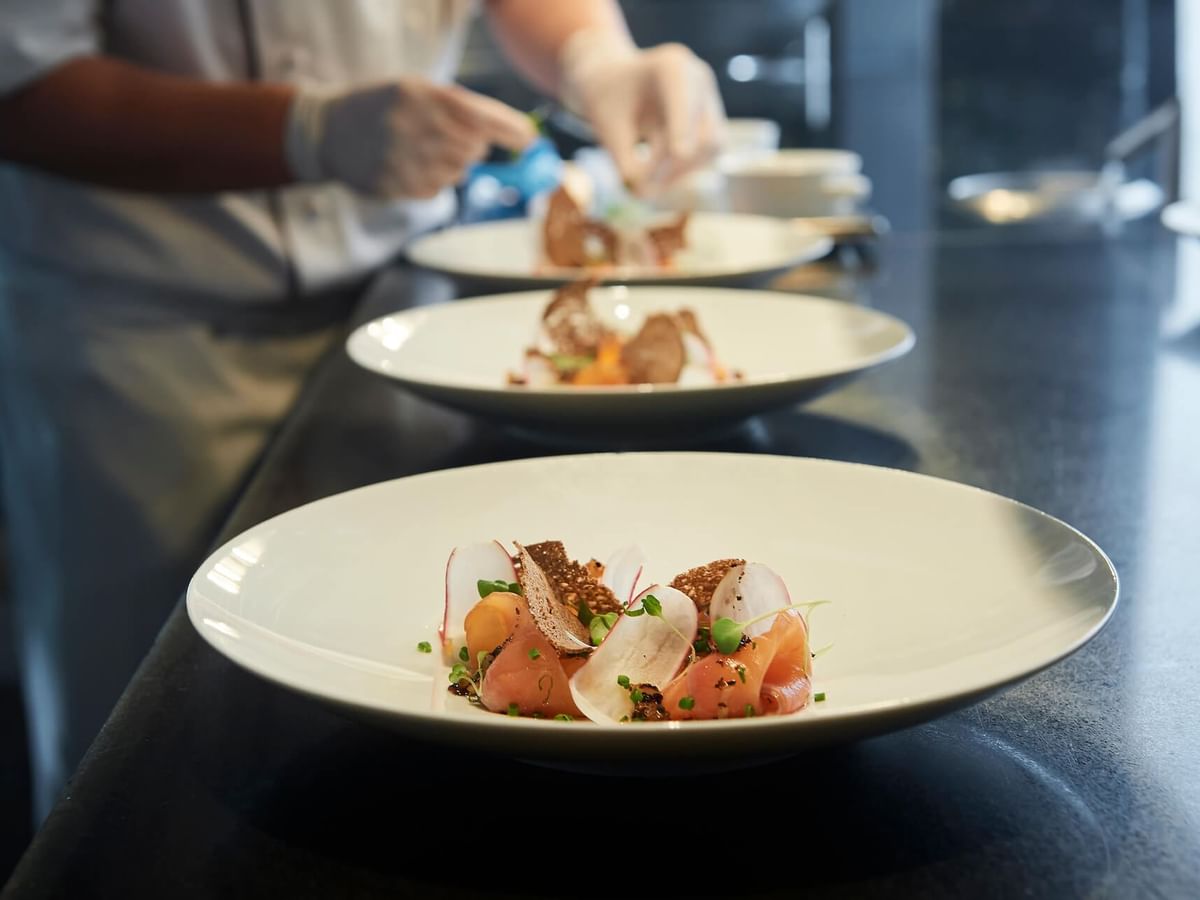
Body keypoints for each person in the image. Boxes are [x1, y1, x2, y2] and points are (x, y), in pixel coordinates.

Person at [0, 0, 725, 820]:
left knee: (386, 726)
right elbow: (21, 86)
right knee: (137, 747)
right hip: (139, 339)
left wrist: (595, 54)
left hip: (400, 317)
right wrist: (304, 131)